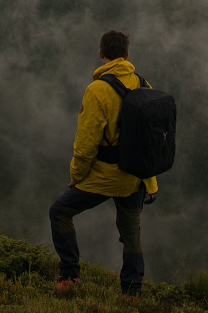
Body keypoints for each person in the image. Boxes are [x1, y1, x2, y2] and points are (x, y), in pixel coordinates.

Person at [50, 29, 158, 297]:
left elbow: (86, 144)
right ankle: (131, 292)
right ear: (127, 54)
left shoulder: (97, 90)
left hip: (104, 175)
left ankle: (70, 276)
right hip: (137, 176)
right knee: (131, 233)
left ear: (101, 54)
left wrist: (77, 175)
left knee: (60, 213)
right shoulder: (145, 85)